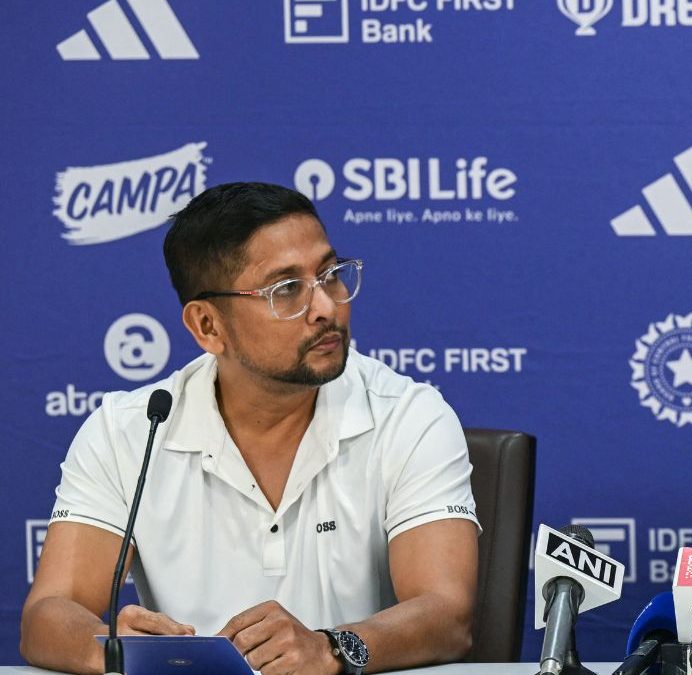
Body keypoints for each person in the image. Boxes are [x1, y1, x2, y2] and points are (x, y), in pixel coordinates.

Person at [20, 183, 480, 674]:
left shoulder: (409, 415)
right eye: (286, 290)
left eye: (330, 274)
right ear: (207, 327)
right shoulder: (130, 429)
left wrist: (330, 648)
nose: (326, 306)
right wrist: (110, 649)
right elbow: (47, 616)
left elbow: (446, 614)